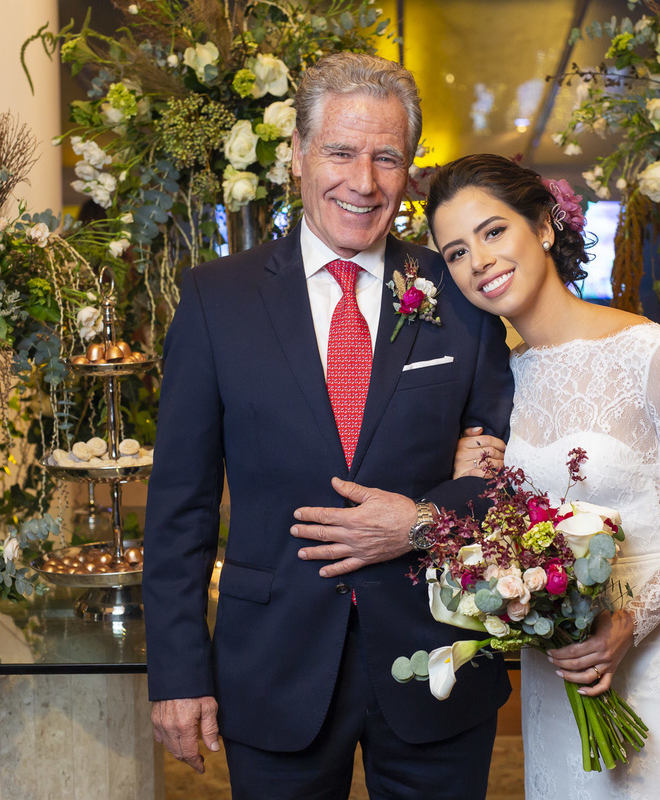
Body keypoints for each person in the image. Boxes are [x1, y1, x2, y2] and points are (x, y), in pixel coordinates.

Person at [142, 54, 514, 799]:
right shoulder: (217, 299)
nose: (363, 182)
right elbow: (180, 505)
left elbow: (510, 478)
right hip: (273, 661)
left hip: (439, 653)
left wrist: (421, 523)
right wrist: (178, 673)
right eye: (341, 152)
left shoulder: (459, 292)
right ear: (298, 155)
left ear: (409, 172)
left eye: (387, 158)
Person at [427, 153, 660, 799]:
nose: (479, 261)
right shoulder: (497, 382)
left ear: (544, 226)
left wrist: (630, 620)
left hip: (659, 657)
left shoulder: (654, 353)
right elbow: (505, 524)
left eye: (493, 231)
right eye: (456, 252)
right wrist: (469, 482)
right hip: (558, 665)